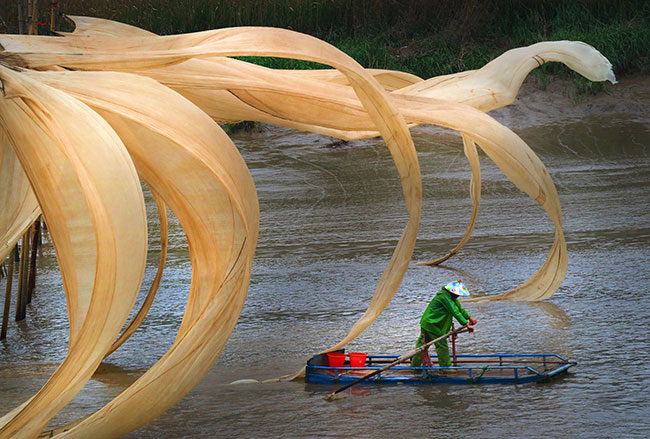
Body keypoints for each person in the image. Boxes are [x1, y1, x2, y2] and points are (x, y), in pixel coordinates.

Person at [411, 280, 477, 369]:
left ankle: (414, 367)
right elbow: (454, 311)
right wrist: (466, 324)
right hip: (432, 323)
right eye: (458, 294)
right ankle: (445, 369)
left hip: (429, 323)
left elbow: (460, 309)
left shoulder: (451, 298)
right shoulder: (444, 297)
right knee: (442, 346)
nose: (458, 296)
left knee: (422, 346)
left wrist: (469, 318)